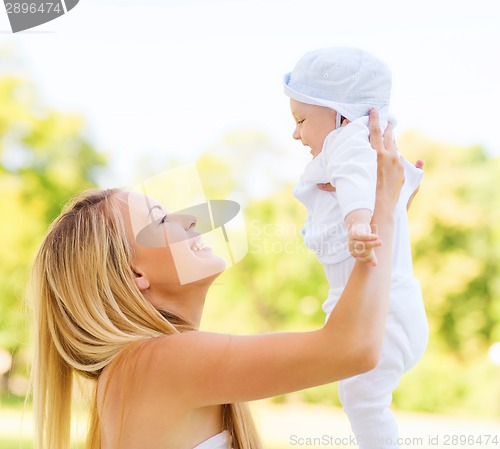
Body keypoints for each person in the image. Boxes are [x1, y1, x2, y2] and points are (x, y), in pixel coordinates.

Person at [28, 109, 405, 449]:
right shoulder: (155, 362)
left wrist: (381, 219)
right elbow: (352, 348)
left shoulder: (144, 366)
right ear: (134, 274)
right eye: (161, 220)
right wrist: (383, 208)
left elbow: (354, 340)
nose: (190, 220)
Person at [283, 47, 428, 448]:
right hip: (395, 308)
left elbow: (353, 186)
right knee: (363, 400)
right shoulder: (371, 146)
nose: (295, 133)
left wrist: (359, 222)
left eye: (300, 120)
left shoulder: (348, 142)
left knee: (363, 404)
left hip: (380, 315)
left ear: (341, 115)